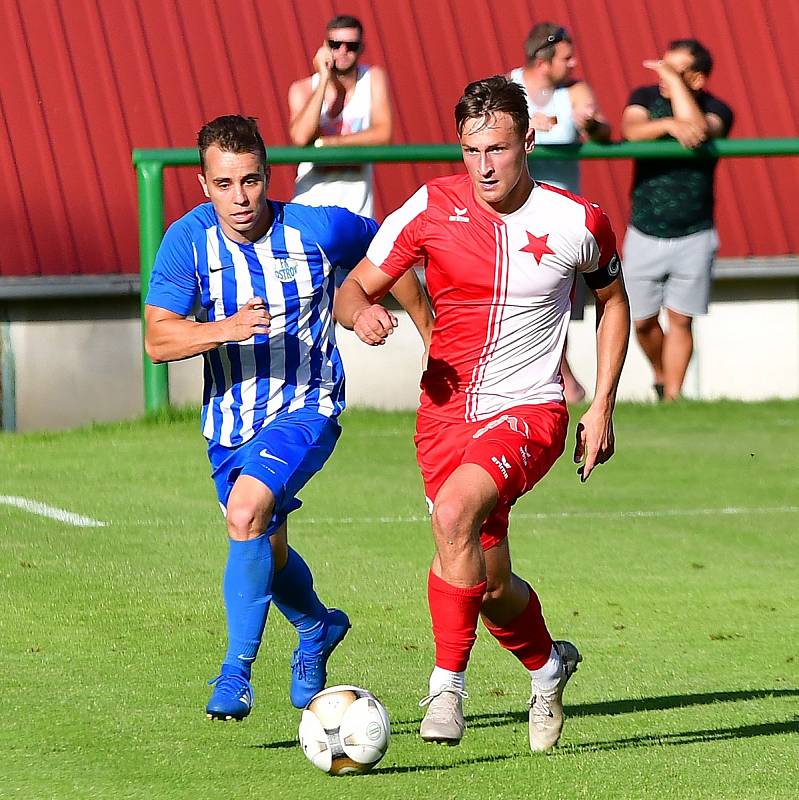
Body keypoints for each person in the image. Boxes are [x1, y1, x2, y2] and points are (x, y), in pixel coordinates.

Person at [334, 76, 630, 751]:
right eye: (470, 151)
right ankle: (549, 668)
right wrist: (362, 314)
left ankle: (445, 688)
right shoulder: (429, 207)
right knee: (486, 583)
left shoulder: (575, 220)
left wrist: (601, 405)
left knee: (454, 513)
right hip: (443, 418)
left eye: (496, 148)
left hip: (530, 411)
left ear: (527, 141)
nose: (484, 166)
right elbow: (351, 290)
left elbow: (614, 301)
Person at [144, 115, 430, 722]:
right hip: (228, 425)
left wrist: (391, 319)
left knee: (246, 514)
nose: (240, 198)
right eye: (224, 185)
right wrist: (223, 330)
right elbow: (157, 341)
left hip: (308, 405)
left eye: (250, 181)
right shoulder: (187, 241)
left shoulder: (316, 226)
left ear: (268, 177)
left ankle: (235, 674)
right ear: (203, 184)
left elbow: (394, 252)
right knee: (266, 548)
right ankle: (318, 628)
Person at [621, 39, 733, 401]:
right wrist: (669, 124)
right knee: (642, 321)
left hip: (695, 232)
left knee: (682, 319)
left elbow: (701, 130)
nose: (662, 75)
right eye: (661, 66)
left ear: (698, 79)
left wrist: (681, 104)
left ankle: (672, 397)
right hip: (644, 230)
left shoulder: (717, 108)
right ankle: (660, 373)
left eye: (674, 69)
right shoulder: (643, 96)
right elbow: (632, 130)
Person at [510, 22, 612, 405]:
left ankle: (561, 376)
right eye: (566, 58)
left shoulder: (575, 91)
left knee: (559, 300)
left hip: (563, 213)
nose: (574, 64)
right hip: (519, 212)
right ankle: (560, 377)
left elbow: (602, 130)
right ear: (543, 60)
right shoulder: (511, 88)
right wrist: (529, 125)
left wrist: (593, 124)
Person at [288, 14, 391, 218]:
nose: (343, 52)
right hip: (309, 206)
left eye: (351, 46)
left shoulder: (372, 79)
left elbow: (383, 134)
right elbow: (300, 137)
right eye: (335, 44)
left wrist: (328, 143)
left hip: (357, 211)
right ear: (324, 46)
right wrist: (324, 79)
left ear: (361, 49)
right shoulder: (303, 89)